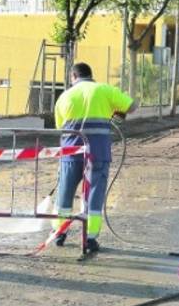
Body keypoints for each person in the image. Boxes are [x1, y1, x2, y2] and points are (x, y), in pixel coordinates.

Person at [52, 62, 137, 254]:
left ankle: (59, 233)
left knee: (65, 191)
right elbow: (132, 106)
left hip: (71, 153)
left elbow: (60, 127)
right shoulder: (105, 90)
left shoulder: (65, 96)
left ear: (73, 77)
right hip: (97, 152)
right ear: (91, 75)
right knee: (95, 192)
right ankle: (89, 238)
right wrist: (116, 111)